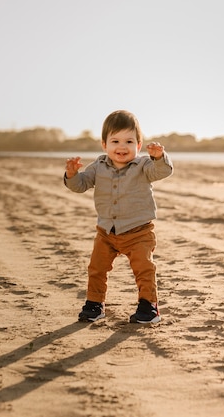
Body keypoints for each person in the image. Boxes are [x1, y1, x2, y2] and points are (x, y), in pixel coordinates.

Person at [64, 110, 174, 323]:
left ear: (138, 146)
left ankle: (148, 306)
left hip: (139, 231)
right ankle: (95, 304)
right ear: (104, 145)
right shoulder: (98, 166)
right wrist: (71, 174)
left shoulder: (144, 166)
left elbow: (162, 172)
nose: (122, 147)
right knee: (96, 269)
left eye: (129, 141)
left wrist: (159, 157)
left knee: (144, 269)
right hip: (106, 231)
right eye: (115, 140)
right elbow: (81, 185)